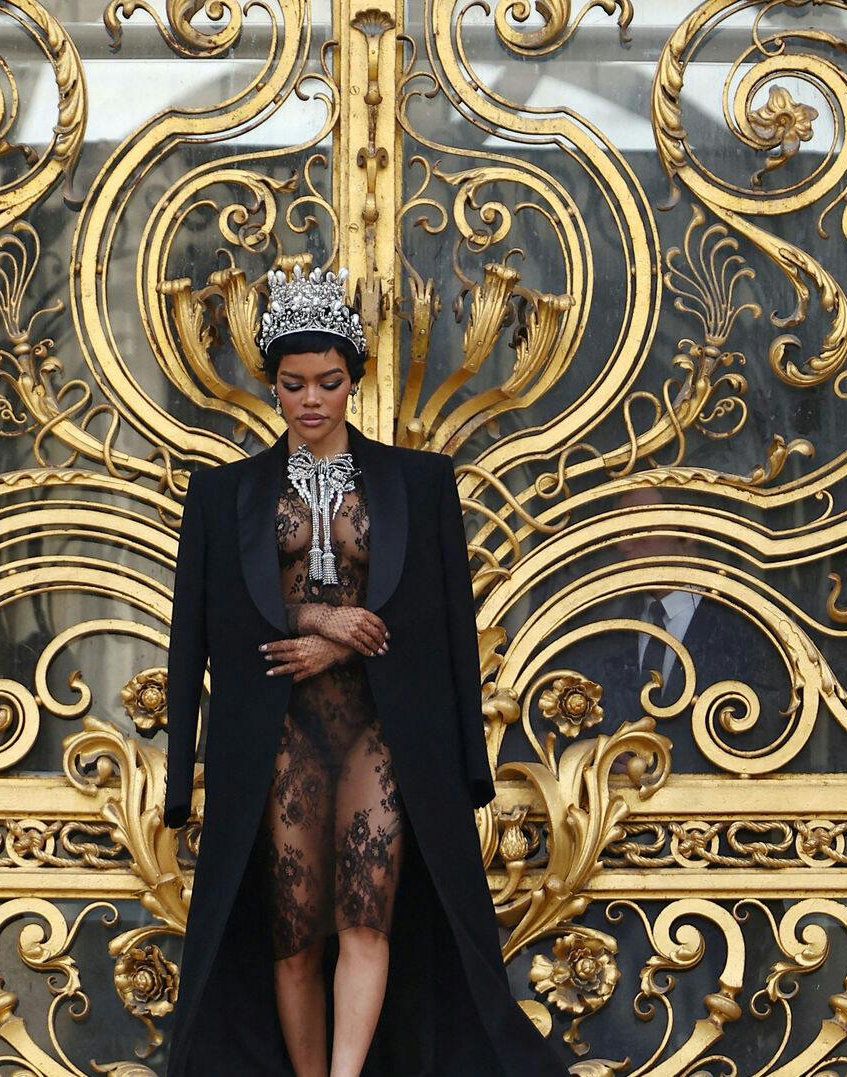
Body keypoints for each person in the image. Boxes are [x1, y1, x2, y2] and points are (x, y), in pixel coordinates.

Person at [144, 264, 570, 1076]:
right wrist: (313, 616)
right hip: (280, 735)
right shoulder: (221, 493)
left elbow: (441, 617)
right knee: (296, 932)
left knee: (368, 918)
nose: (312, 400)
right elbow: (207, 624)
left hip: (382, 729)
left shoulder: (421, 482)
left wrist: (341, 642)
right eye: (294, 384)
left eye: (330, 382)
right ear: (272, 386)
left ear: (354, 380)